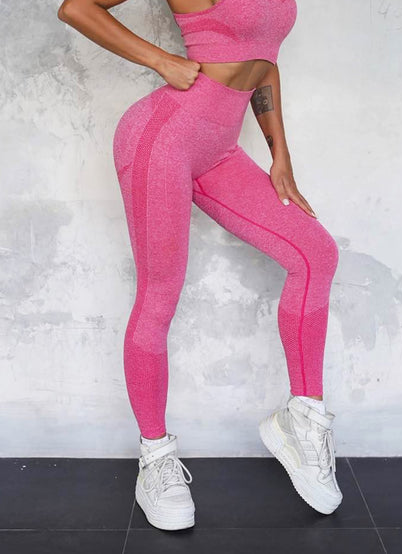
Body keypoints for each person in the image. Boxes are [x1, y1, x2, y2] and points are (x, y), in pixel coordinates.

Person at [57, 0, 343, 531]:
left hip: (220, 147)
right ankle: (155, 459)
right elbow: (77, 8)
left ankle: (301, 420)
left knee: (315, 255)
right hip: (162, 139)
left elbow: (264, 60)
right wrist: (160, 60)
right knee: (160, 296)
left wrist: (280, 154)